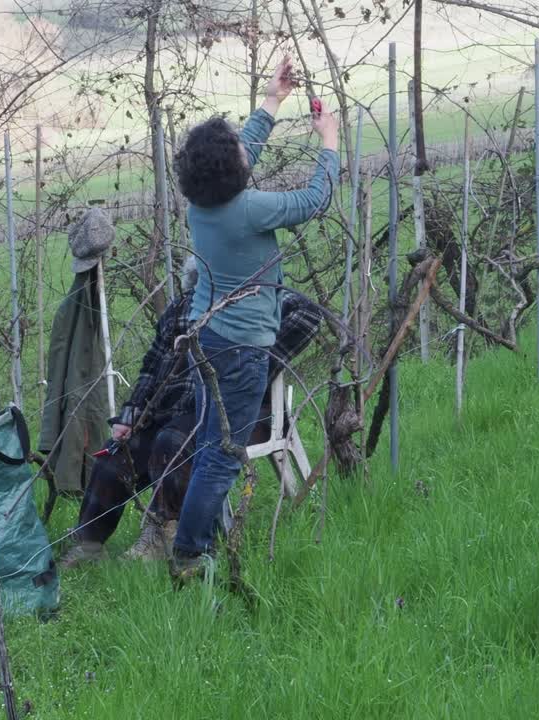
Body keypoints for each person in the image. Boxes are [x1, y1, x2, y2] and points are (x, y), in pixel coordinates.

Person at [168, 56, 339, 583]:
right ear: (234, 172)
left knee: (208, 442)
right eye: (239, 148)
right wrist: (330, 141)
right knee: (223, 453)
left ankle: (199, 538)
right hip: (241, 349)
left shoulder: (202, 203)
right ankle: (189, 557)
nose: (247, 146)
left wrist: (272, 100)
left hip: (206, 336)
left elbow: (243, 152)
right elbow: (315, 198)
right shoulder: (250, 208)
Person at [58, 257, 323, 569]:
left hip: (236, 413)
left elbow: (307, 313)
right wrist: (130, 415)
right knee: (114, 458)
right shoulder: (181, 308)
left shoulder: (252, 302)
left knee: (172, 443)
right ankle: (89, 542)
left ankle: (163, 532)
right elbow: (151, 367)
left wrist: (254, 363)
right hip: (169, 411)